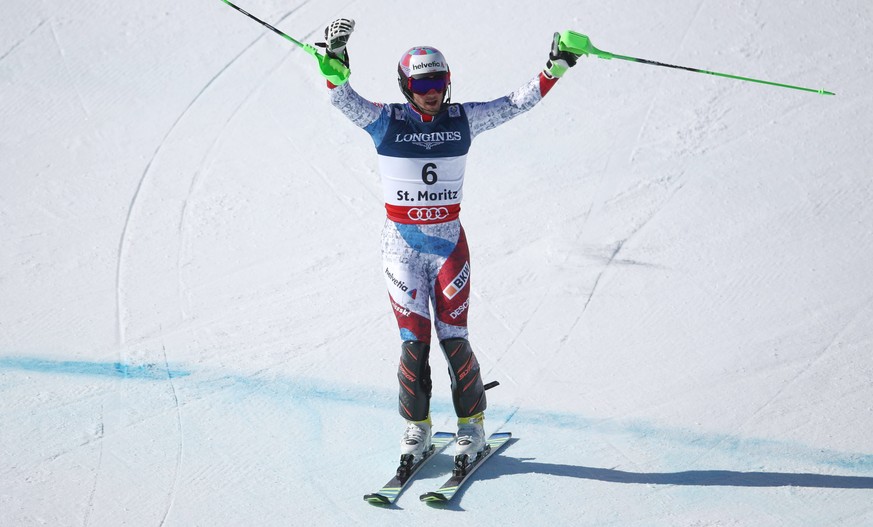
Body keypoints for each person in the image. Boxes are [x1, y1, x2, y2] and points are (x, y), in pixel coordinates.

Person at [315, 18, 581, 466]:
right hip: (400, 249)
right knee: (413, 345)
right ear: (406, 86)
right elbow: (341, 96)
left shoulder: (463, 119)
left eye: (437, 81)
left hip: (448, 247)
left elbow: (514, 104)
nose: (431, 91)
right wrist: (335, 58)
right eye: (421, 83)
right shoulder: (386, 121)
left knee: (454, 340)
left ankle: (471, 427)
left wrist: (554, 68)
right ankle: (416, 430)